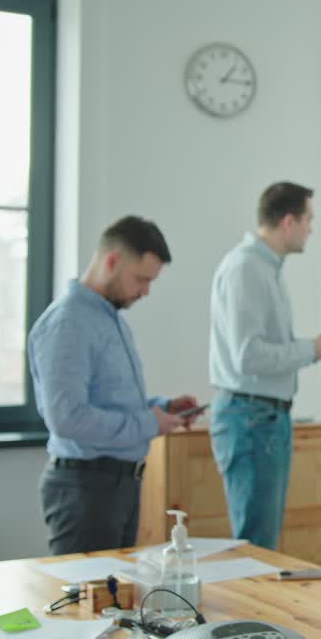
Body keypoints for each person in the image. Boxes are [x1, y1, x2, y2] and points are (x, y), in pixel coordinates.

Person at [31, 216, 198, 555]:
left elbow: (109, 401)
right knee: (85, 603)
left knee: (115, 601)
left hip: (118, 485)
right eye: (141, 279)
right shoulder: (69, 324)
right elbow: (67, 418)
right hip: (86, 489)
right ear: (111, 262)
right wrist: (149, 422)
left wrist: (163, 408)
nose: (146, 291)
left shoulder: (109, 320)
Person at [208, 182, 321, 550]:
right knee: (256, 547)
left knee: (263, 544)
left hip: (265, 418)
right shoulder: (247, 268)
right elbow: (248, 356)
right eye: (308, 220)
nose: (311, 229)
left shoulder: (267, 268)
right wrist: (310, 349)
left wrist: (308, 350)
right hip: (251, 418)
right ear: (288, 221)